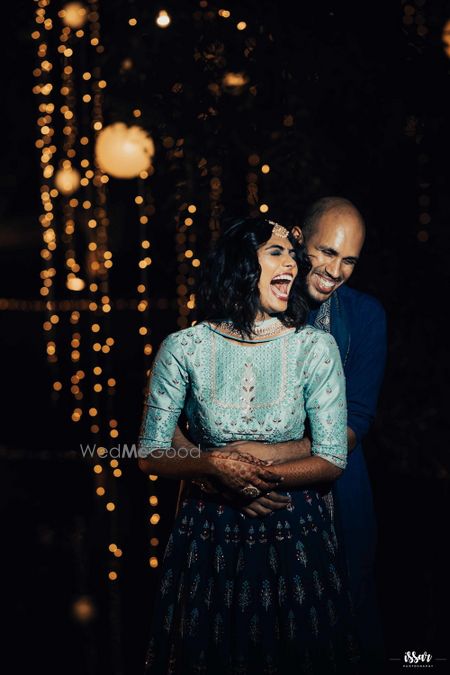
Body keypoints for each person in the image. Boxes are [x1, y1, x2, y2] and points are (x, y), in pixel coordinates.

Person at [138, 217, 359, 674]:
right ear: (242, 264)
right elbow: (151, 453)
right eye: (276, 252)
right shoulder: (184, 347)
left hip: (294, 528)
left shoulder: (314, 347)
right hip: (208, 535)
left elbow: (333, 457)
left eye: (293, 256)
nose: (293, 266)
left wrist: (254, 480)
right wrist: (215, 469)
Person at [178, 197, 386, 670]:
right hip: (227, 512)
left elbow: (354, 422)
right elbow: (181, 421)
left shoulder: (366, 317)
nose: (336, 271)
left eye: (349, 260)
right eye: (326, 253)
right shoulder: (243, 302)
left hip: (333, 501)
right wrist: (224, 480)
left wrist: (258, 465)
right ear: (296, 240)